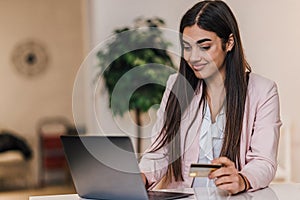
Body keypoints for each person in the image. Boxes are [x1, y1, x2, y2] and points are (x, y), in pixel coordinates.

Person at [139, 0, 281, 195]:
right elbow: (160, 151)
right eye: (187, 47)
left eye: (204, 46)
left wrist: (242, 179)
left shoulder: (263, 91)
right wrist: (142, 175)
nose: (193, 57)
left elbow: (263, 161)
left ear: (229, 42)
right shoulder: (176, 85)